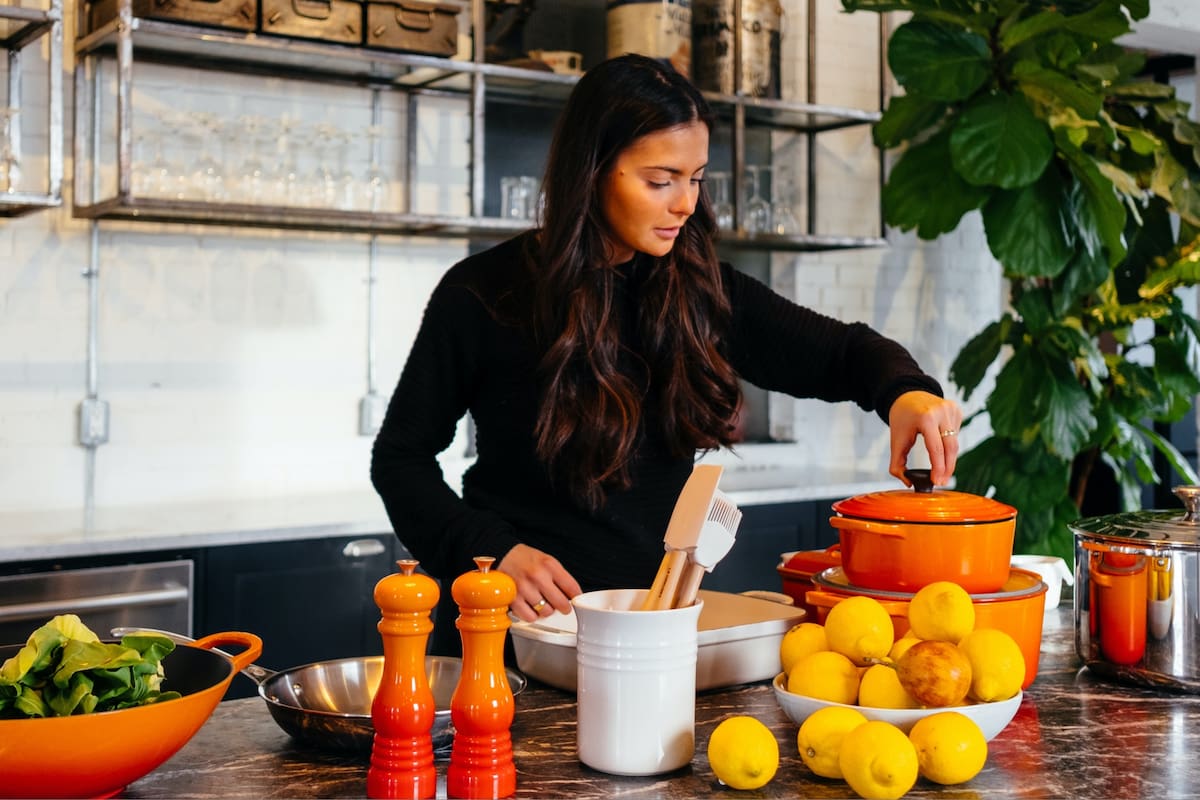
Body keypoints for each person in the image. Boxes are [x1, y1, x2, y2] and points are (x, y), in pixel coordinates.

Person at [370, 53, 962, 655]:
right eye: (660, 180)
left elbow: (842, 353)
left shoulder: (700, 289)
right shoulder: (482, 295)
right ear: (593, 170)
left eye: (696, 177)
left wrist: (905, 391)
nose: (685, 203)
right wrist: (493, 552)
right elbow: (400, 460)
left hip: (651, 637)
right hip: (507, 639)